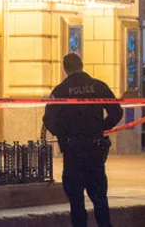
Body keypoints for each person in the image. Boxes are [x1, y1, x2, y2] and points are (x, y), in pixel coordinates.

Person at [44, 53, 122, 227]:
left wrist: (64, 136)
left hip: (73, 152)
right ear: (82, 64)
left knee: (76, 202)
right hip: (95, 150)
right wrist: (100, 127)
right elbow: (117, 111)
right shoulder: (98, 86)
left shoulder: (61, 90)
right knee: (100, 199)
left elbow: (48, 119)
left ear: (65, 68)